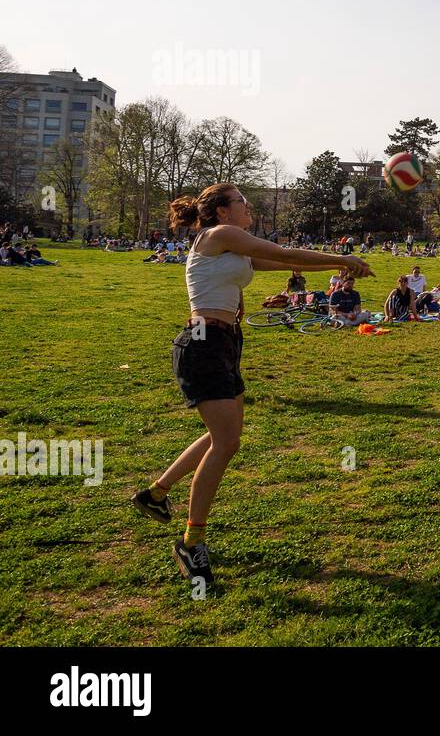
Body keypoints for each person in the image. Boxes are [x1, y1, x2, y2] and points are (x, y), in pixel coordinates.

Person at [131, 182, 372, 586]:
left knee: (219, 437)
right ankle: (192, 542)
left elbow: (280, 263)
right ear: (223, 211)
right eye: (242, 202)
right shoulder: (219, 235)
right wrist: (341, 256)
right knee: (226, 442)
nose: (250, 207)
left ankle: (155, 494)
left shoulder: (233, 247)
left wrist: (335, 267)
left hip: (223, 342)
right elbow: (281, 252)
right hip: (202, 344)